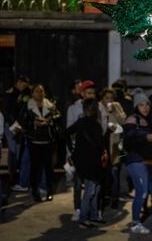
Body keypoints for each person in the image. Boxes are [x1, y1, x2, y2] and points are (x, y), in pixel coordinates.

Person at [123, 92, 152, 234]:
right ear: (136, 106)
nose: (145, 107)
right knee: (142, 192)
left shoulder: (149, 120)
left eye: (147, 104)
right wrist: (145, 136)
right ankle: (135, 223)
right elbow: (129, 136)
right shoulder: (132, 119)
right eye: (141, 104)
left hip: (150, 161)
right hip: (136, 160)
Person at [66, 98, 105, 228]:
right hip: (90, 161)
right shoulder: (94, 124)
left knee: (95, 188)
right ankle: (84, 218)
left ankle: (93, 216)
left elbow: (66, 133)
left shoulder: (82, 122)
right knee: (91, 189)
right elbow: (99, 143)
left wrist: (72, 150)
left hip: (84, 159)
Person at [20, 84, 60, 202]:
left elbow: (58, 117)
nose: (40, 93)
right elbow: (22, 120)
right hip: (34, 141)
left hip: (48, 140)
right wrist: (33, 123)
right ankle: (35, 191)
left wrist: (50, 121)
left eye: (41, 91)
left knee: (48, 168)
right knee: (35, 168)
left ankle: (49, 191)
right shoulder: (27, 106)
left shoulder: (51, 105)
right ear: (32, 94)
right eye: (37, 91)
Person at [66, 80, 97, 221]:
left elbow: (100, 130)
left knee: (94, 183)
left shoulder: (99, 107)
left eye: (93, 93)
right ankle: (78, 209)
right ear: (82, 93)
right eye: (89, 93)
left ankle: (93, 209)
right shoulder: (73, 109)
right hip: (79, 151)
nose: (91, 95)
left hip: (93, 152)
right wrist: (70, 152)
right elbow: (69, 130)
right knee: (78, 183)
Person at [1, 75, 31, 192]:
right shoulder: (10, 93)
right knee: (13, 150)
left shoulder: (25, 93)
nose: (25, 86)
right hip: (11, 125)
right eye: (23, 83)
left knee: (19, 150)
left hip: (20, 126)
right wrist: (15, 126)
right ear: (18, 82)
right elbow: (7, 111)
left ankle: (17, 174)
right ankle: (11, 175)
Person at [98, 87, 126, 209]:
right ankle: (104, 197)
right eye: (106, 98)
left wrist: (114, 111)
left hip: (115, 142)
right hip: (102, 142)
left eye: (111, 98)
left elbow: (123, 120)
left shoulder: (117, 105)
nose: (109, 100)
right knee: (103, 172)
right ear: (102, 98)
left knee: (115, 171)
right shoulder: (98, 106)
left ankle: (115, 198)